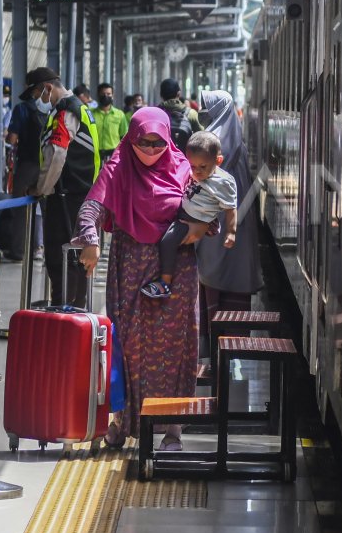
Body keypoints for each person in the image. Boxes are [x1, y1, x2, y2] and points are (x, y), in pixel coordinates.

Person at [74, 108, 212, 449]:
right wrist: (90, 239)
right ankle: (122, 421)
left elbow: (210, 209)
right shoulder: (118, 168)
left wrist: (204, 226)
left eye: (158, 143)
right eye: (143, 142)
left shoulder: (184, 168)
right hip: (130, 269)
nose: (150, 150)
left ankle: (172, 428)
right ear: (130, 138)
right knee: (128, 349)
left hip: (176, 275)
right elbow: (91, 207)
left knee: (176, 349)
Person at [27, 67, 101, 307]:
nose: (38, 99)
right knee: (77, 261)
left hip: (65, 198)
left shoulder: (65, 111)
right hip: (82, 195)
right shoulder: (82, 108)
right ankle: (76, 312)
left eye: (38, 92)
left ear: (48, 87)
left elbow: (57, 154)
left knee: (61, 262)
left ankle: (63, 315)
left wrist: (41, 189)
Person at [141, 131, 236, 299]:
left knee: (167, 242)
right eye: (192, 166)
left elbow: (230, 208)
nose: (196, 171)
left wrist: (231, 232)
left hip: (192, 220)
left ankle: (165, 283)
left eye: (202, 167)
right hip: (184, 214)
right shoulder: (195, 170)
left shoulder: (224, 182)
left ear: (218, 161)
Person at [196, 90, 262, 334]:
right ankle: (229, 347)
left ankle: (214, 348)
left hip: (212, 222)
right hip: (236, 224)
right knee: (233, 275)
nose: (203, 113)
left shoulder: (208, 145)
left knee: (211, 278)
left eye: (207, 108)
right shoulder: (238, 142)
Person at [0, 84, 43, 261]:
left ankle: (19, 251)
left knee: (21, 207)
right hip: (46, 164)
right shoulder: (52, 108)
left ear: (29, 87)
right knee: (42, 208)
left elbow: (12, 138)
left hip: (26, 164)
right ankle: (39, 248)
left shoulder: (21, 108)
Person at [157, 79, 201, 153]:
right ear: (179, 94)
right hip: (185, 160)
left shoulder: (155, 113)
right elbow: (201, 137)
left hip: (162, 160)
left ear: (161, 95)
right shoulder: (191, 113)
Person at [91, 82, 130, 165]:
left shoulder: (119, 114)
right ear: (98, 95)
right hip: (94, 154)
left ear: (112, 96)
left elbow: (124, 136)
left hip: (113, 154)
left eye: (108, 94)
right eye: (103, 94)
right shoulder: (90, 114)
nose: (106, 96)